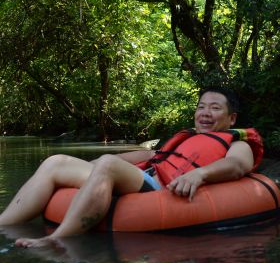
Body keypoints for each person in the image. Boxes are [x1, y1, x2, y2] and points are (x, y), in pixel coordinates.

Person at [0, 87, 257, 248]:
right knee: (55, 162)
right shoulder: (187, 137)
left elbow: (238, 165)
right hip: (143, 176)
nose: (205, 113)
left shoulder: (236, 141)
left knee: (109, 165)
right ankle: (4, 223)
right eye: (201, 107)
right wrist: (90, 164)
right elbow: (149, 156)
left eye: (214, 108)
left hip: (160, 190)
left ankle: (58, 239)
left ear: (231, 118)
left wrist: (199, 174)